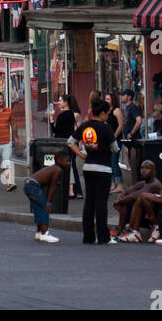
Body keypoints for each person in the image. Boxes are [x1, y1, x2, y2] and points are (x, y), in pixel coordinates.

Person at [68, 95, 119, 244]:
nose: (108, 116)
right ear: (102, 113)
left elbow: (70, 142)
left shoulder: (85, 125)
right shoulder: (106, 128)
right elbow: (115, 148)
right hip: (103, 169)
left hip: (88, 167)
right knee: (101, 204)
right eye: (107, 113)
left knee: (89, 203)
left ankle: (88, 236)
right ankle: (103, 236)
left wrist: (82, 155)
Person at [24, 152, 68, 243]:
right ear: (59, 160)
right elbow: (52, 187)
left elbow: (49, 187)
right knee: (44, 209)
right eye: (67, 161)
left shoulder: (53, 168)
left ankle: (39, 232)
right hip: (33, 186)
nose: (69, 163)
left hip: (28, 184)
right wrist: (49, 203)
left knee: (38, 209)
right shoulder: (57, 169)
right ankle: (44, 234)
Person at [114, 160, 162, 241]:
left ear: (153, 171)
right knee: (124, 203)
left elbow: (136, 195)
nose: (143, 170)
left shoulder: (155, 184)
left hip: (152, 217)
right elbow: (126, 191)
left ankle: (134, 231)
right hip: (143, 214)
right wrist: (119, 200)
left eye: (147, 168)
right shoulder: (143, 183)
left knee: (138, 200)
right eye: (142, 168)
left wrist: (119, 201)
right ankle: (120, 231)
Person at [50, 93, 83, 199]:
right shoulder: (71, 115)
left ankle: (72, 191)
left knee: (70, 167)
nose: (58, 102)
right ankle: (75, 190)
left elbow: (56, 131)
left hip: (63, 144)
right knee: (72, 166)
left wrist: (51, 119)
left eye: (60, 100)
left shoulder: (62, 115)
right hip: (70, 143)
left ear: (65, 102)